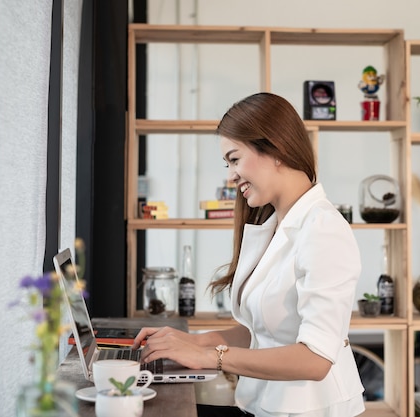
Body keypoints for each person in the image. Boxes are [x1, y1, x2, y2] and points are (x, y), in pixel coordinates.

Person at [132, 92, 365, 417]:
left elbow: (316, 359)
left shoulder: (323, 229)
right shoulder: (273, 225)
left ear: (276, 150)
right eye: (227, 164)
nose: (230, 176)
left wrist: (211, 356)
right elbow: (261, 331)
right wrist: (190, 341)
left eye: (235, 159)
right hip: (263, 404)